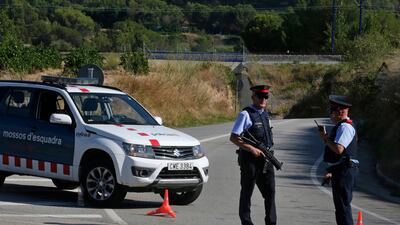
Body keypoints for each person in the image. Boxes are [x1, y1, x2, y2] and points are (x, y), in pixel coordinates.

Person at [230, 84, 276, 225]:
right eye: (260, 97)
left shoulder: (265, 114)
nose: (263, 100)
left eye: (265, 97)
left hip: (266, 160)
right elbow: (234, 137)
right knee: (247, 193)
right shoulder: (246, 114)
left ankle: (271, 222)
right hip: (250, 160)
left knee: (270, 194)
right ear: (253, 97)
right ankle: (247, 222)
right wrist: (251, 149)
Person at [318, 95, 359, 225]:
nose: (330, 114)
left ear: (340, 111)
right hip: (341, 170)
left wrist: (325, 138)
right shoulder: (342, 126)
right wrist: (330, 171)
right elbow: (340, 156)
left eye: (332, 110)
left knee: (343, 208)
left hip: (345, 172)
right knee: (341, 208)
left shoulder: (345, 127)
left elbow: (339, 149)